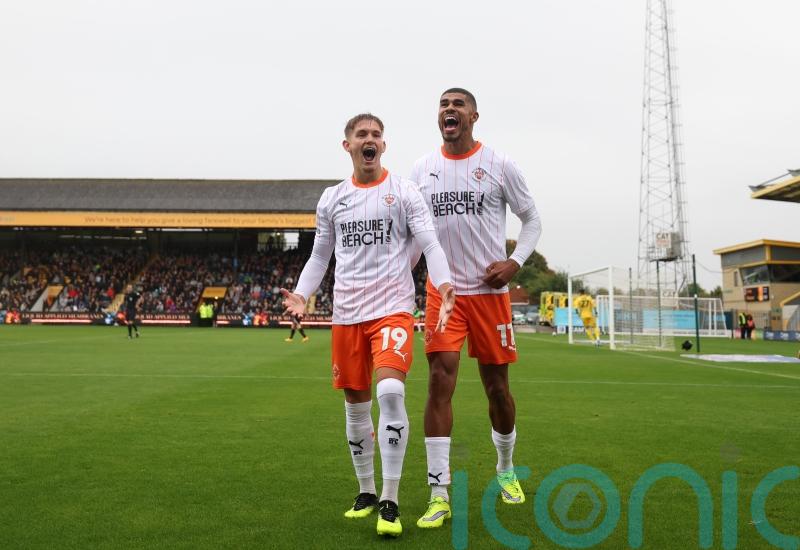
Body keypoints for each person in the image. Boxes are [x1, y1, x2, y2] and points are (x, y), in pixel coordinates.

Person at [281, 113, 456, 538]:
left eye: (376, 134)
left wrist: (446, 283)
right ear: (348, 146)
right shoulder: (332, 199)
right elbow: (321, 256)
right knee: (356, 408)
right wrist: (303, 295)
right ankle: (366, 490)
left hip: (392, 310)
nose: (370, 140)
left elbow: (430, 242)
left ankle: (391, 501)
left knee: (391, 392)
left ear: (384, 145)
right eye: (362, 135)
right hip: (347, 315)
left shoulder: (405, 192)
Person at [409, 88, 542, 528]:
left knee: (498, 390)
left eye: (457, 104)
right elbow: (411, 235)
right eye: (443, 104)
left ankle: (505, 469)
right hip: (443, 295)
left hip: (489, 296)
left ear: (474, 116)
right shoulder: (422, 170)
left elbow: (532, 219)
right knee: (438, 381)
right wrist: (397, 282)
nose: (449, 109)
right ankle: (438, 492)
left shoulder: (500, 165)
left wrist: (514, 262)